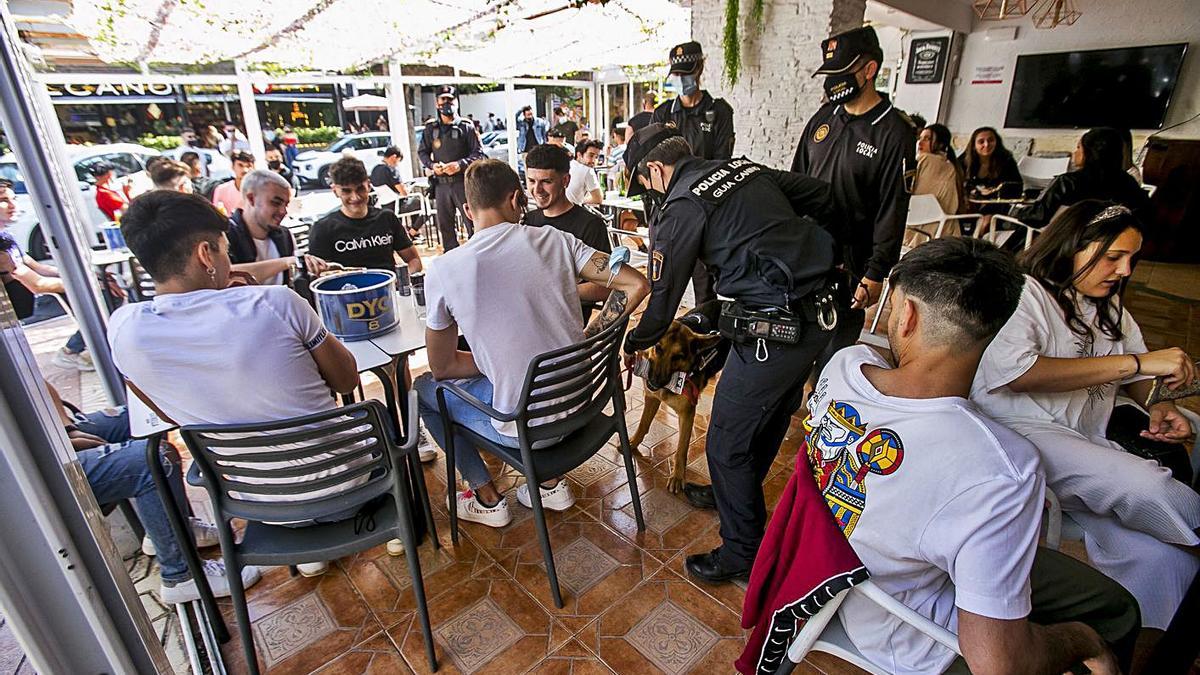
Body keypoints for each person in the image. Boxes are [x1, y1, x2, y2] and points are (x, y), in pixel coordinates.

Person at [807, 236, 1140, 674]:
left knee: (1113, 604)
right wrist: (1083, 640)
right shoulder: (1003, 469)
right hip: (904, 631)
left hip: (828, 571)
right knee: (1116, 616)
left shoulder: (844, 367)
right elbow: (998, 666)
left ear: (906, 315)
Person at [109, 190, 411, 576]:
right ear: (205, 254)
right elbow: (347, 378)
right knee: (382, 416)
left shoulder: (124, 331)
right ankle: (402, 525)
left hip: (259, 506)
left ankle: (306, 550)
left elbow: (163, 409)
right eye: (224, 250)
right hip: (352, 488)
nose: (228, 259)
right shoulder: (276, 303)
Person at [621, 124, 840, 583]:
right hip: (819, 317)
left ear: (656, 169)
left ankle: (743, 552)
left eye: (644, 183)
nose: (649, 193)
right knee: (773, 413)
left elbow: (662, 304)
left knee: (724, 441)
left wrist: (634, 342)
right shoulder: (739, 169)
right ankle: (730, 495)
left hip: (774, 330)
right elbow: (822, 196)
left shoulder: (682, 205)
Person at [971, 200, 1200, 636]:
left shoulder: (1107, 306)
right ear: (1072, 245)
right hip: (1018, 434)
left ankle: (1142, 646)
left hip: (1082, 436)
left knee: (1168, 562)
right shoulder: (1025, 293)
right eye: (1113, 257)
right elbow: (1018, 374)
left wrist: (1157, 404)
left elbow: (1134, 374)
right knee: (1146, 483)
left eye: (1131, 259)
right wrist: (1138, 364)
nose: (1124, 270)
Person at [415, 159, 649, 526]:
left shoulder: (445, 270)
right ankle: (548, 482)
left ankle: (486, 498)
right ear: (515, 199)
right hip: (583, 404)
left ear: (465, 210)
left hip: (526, 431)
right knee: (499, 379)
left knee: (424, 391)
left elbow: (443, 367)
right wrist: (590, 337)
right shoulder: (558, 240)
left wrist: (500, 360)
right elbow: (637, 284)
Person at [39, 379, 258, 603]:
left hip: (48, 437)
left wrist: (68, 430)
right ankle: (180, 575)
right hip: (34, 473)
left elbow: (32, 380)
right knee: (157, 460)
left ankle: (166, 529)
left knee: (146, 415)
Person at [791, 26, 916, 373]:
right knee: (793, 346)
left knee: (832, 354)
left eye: (840, 73)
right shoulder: (823, 118)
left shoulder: (894, 132)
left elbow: (893, 210)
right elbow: (796, 180)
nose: (832, 82)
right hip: (804, 257)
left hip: (849, 264)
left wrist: (876, 272)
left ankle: (821, 410)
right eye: (828, 74)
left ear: (869, 69)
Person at [652, 40, 736, 308]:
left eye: (686, 73)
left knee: (705, 289)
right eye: (676, 75)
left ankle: (704, 341)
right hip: (669, 210)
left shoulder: (718, 112)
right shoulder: (663, 113)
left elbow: (722, 163)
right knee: (662, 285)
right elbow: (653, 163)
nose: (681, 80)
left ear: (699, 68)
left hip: (704, 212)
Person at [524, 144, 611, 319]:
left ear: (565, 181)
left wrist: (554, 291)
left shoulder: (590, 225)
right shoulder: (528, 221)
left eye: (546, 182)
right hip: (531, 317)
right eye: (532, 181)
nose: (537, 190)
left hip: (567, 323)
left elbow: (606, 287)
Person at [1013, 127, 1151, 231]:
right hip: (1103, 243)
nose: (1075, 152)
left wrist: (1014, 211)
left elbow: (1038, 218)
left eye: (1078, 147)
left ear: (1089, 152)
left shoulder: (1068, 182)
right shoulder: (1128, 182)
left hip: (1059, 243)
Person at [309, 157, 422, 275]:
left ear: (368, 185)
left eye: (360, 189)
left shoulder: (387, 218)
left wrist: (401, 280)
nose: (355, 197)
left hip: (389, 288)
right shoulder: (323, 228)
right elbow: (318, 275)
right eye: (346, 191)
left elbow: (414, 260)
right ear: (335, 191)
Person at [226, 169, 327, 286]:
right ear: (251, 199)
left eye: (286, 204)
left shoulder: (284, 235)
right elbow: (223, 276)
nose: (283, 211)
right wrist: (286, 262)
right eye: (276, 203)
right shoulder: (224, 234)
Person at [417, 85, 485, 252]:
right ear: (437, 102)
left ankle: (476, 255)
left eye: (450, 99)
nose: (447, 103)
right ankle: (451, 259)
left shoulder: (466, 126)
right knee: (445, 226)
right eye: (443, 99)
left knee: (472, 223)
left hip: (463, 183)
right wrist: (432, 166)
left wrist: (459, 165)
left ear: (456, 102)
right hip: (441, 185)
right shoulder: (431, 128)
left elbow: (479, 153)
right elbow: (422, 152)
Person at [961, 126, 1024, 230]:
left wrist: (993, 192)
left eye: (990, 140)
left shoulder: (1006, 160)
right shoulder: (964, 162)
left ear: (997, 142)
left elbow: (1016, 186)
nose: (986, 145)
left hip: (996, 205)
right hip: (970, 204)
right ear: (974, 145)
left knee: (985, 224)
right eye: (981, 142)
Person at [912, 123, 964, 217]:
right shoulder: (950, 164)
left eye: (927, 139)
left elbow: (915, 198)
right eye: (920, 138)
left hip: (923, 226)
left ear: (940, 144)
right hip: (945, 226)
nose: (920, 142)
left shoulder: (927, 159)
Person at [211, 151, 254, 215]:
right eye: (240, 165)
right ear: (233, 167)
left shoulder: (259, 191)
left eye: (248, 166)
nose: (245, 170)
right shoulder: (221, 189)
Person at [567, 140, 604, 206]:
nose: (594, 161)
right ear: (579, 155)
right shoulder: (587, 170)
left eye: (596, 157)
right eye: (591, 155)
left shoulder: (568, 165)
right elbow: (598, 199)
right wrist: (582, 200)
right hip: (572, 211)